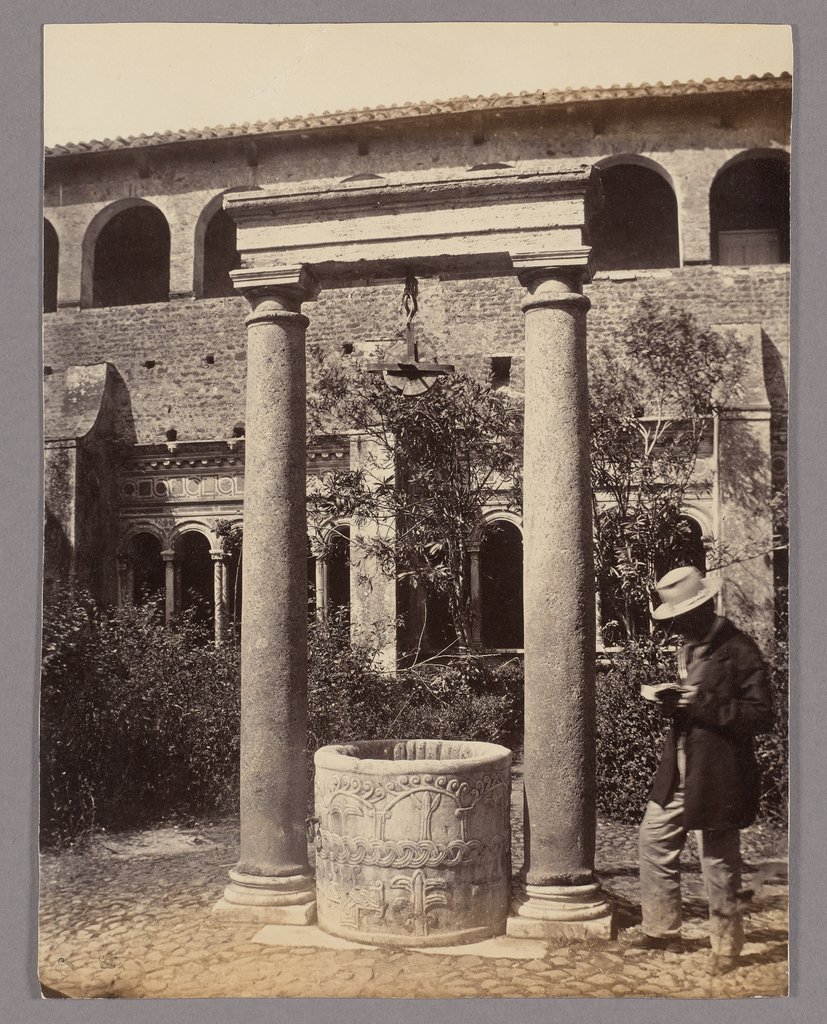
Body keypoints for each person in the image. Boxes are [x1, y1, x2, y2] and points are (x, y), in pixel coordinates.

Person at [628, 565, 774, 976]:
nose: (674, 626)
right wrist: (671, 701)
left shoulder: (740, 649)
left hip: (720, 773)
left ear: (703, 609)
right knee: (654, 839)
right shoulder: (689, 645)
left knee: (719, 861)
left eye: (681, 618)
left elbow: (761, 715)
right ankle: (661, 932)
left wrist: (701, 703)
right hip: (677, 771)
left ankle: (726, 948)